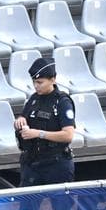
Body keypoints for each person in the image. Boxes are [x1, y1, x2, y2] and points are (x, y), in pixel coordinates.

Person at [14, 56, 77, 187]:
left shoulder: (62, 102)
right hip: (33, 162)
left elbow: (68, 135)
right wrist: (20, 120)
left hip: (56, 164)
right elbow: (24, 116)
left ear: (53, 80)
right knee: (27, 205)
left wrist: (38, 133)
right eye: (34, 82)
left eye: (40, 82)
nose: (36, 86)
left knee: (60, 206)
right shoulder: (34, 99)